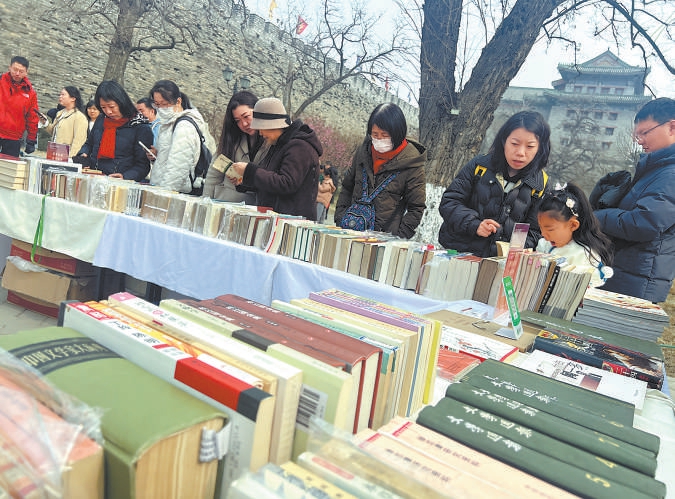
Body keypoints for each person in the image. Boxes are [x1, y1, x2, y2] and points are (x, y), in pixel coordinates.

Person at [438, 110, 551, 257]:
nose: (520, 153)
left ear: (540, 148)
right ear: (504, 141)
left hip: (500, 262)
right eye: (515, 144)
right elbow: (450, 202)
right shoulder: (479, 166)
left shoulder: (540, 185)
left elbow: (535, 231)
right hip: (459, 253)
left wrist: (510, 250)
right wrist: (475, 224)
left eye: (530, 146)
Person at [594, 97, 675, 303]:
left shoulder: (671, 173)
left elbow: (644, 223)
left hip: (638, 283)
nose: (638, 140)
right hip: (628, 275)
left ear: (672, 127)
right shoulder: (657, 170)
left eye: (644, 133)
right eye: (636, 134)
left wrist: (596, 217)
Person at [334, 103, 426, 238]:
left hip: (383, 240)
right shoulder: (363, 151)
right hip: (350, 231)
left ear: (397, 134)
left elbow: (416, 207)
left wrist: (397, 237)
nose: (379, 140)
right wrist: (340, 217)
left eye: (384, 135)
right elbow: (347, 187)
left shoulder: (412, 164)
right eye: (375, 134)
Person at [230, 97, 322, 219]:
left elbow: (286, 183)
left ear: (272, 125)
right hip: (277, 219)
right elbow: (270, 179)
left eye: (261, 129)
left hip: (292, 222)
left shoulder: (299, 146)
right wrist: (244, 180)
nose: (261, 134)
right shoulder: (279, 144)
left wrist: (249, 171)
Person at [536, 182, 613, 288]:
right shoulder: (544, 244)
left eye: (550, 229)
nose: (543, 234)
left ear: (573, 225)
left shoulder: (583, 254)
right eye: (541, 227)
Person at [74, 80, 153, 180]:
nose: (108, 111)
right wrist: (83, 154)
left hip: (119, 183)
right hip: (94, 177)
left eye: (112, 107)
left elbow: (142, 165)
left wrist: (125, 176)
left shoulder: (139, 126)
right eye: (103, 107)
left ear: (121, 102)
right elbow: (89, 143)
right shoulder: (101, 119)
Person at [148, 79, 216, 193]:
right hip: (162, 186)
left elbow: (178, 167)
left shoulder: (184, 126)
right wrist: (158, 156)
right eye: (157, 105)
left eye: (164, 104)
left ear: (178, 102)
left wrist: (163, 194)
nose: (160, 109)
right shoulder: (169, 123)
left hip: (173, 191)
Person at [203, 90, 263, 202]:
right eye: (238, 121)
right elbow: (213, 176)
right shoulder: (232, 140)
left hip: (257, 208)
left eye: (246, 116)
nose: (244, 124)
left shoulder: (271, 142)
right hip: (225, 203)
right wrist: (205, 202)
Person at [0, 56, 41, 157]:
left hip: (13, 138)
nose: (17, 73)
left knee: (9, 170)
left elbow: (32, 117)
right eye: (15, 69)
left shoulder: (30, 93)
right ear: (9, 67)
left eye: (21, 71)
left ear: (26, 72)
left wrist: (31, 139)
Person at [45, 86, 88, 157]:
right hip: (54, 153)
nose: (60, 97)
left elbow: (79, 141)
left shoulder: (79, 117)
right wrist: (45, 123)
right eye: (60, 94)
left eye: (63, 94)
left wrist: (70, 157)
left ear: (73, 98)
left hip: (66, 156)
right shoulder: (60, 113)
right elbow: (54, 132)